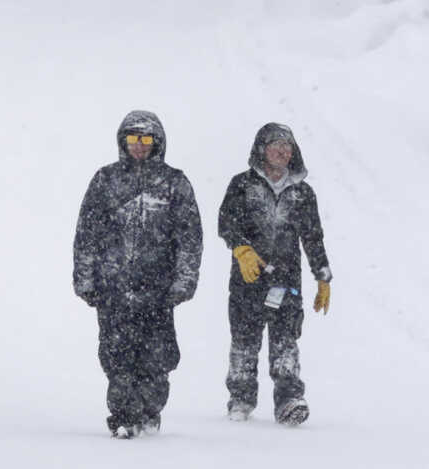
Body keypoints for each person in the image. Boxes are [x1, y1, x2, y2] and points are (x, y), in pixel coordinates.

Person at [72, 109, 203, 437]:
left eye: (146, 139)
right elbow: (87, 233)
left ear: (157, 142)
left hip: (158, 290)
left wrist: (184, 280)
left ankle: (149, 414)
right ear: (123, 142)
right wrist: (85, 278)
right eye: (133, 139)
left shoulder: (175, 183)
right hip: (113, 288)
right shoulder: (106, 180)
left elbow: (190, 237)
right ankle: (123, 417)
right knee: (117, 357)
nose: (140, 145)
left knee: (156, 358)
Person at [216, 122, 332, 425]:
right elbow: (226, 223)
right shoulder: (242, 185)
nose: (282, 150)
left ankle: (289, 399)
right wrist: (242, 249)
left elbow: (313, 237)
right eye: (275, 144)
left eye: (287, 145)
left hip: (286, 281)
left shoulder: (302, 193)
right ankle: (240, 399)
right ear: (261, 150)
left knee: (285, 343)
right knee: (244, 342)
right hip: (248, 280)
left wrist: (322, 276)